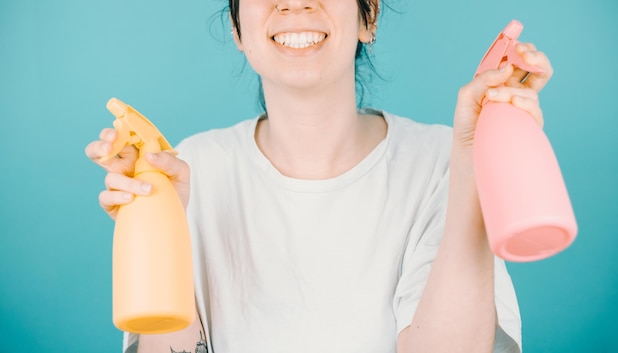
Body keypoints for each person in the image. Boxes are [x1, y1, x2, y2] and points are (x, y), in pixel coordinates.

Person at [85, 0, 553, 352]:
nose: (294, 4)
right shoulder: (192, 168)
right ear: (237, 29)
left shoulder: (440, 162)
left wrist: (473, 163)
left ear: (367, 18)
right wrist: (162, 225)